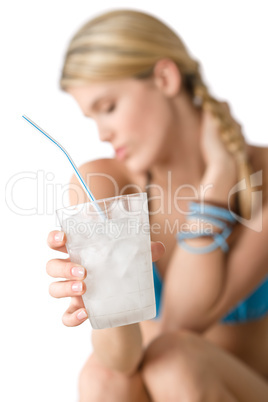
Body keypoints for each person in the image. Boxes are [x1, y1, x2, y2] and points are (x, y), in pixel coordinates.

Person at [46, 9, 268, 401]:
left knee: (173, 358)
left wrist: (217, 181)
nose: (102, 134)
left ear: (165, 78)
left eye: (109, 107)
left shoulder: (262, 175)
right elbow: (122, 361)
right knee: (101, 376)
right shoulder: (105, 183)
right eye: (91, 117)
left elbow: (180, 323)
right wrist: (100, 295)